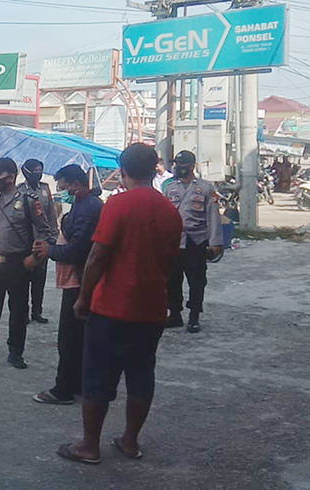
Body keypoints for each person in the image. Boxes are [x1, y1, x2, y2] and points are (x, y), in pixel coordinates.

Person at [55, 143, 182, 466]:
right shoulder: (169, 210)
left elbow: (98, 255)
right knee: (141, 376)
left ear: (123, 172)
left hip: (112, 308)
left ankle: (89, 446)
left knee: (98, 377)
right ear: (156, 170)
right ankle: (129, 440)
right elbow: (171, 263)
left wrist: (84, 297)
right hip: (152, 310)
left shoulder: (118, 205)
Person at [0, 157, 56, 371]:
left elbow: (46, 232)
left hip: (19, 263)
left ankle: (16, 353)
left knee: (18, 311)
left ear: (11, 177)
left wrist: (34, 258)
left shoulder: (28, 200)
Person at [32, 164, 102, 405]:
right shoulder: (84, 205)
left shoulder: (89, 208)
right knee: (78, 337)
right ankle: (78, 383)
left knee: (69, 338)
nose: (60, 191)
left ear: (75, 184)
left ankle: (64, 390)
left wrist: (50, 250)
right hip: (78, 278)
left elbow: (79, 250)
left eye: (63, 186)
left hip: (80, 280)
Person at [164, 150, 224, 333]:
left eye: (183, 164)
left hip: (196, 241)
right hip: (175, 241)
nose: (179, 167)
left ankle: (194, 317)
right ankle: (175, 314)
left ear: (192, 166)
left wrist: (216, 243)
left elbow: (213, 216)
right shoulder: (169, 188)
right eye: (177, 164)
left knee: (197, 281)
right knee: (172, 281)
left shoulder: (206, 188)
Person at [19, 159, 59, 324]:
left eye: (40, 170)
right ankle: (24, 313)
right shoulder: (20, 190)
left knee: (39, 279)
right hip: (25, 241)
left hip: (43, 240)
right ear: (26, 171)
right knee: (23, 280)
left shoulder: (44, 188)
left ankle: (37, 312)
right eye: (35, 170)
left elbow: (51, 212)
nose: (38, 173)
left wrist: (53, 235)